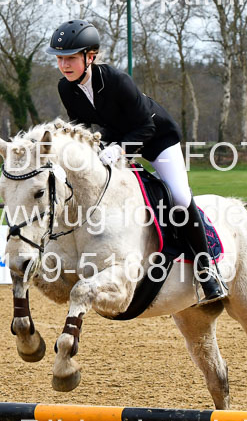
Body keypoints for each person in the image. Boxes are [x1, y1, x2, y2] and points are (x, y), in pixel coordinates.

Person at [45, 19, 228, 305]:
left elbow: (146, 127)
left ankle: (206, 270)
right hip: (114, 141)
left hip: (157, 139)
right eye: (60, 59)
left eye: (70, 58)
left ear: (89, 57)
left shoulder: (116, 81)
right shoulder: (65, 88)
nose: (64, 65)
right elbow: (81, 127)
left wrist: (119, 149)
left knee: (178, 196)